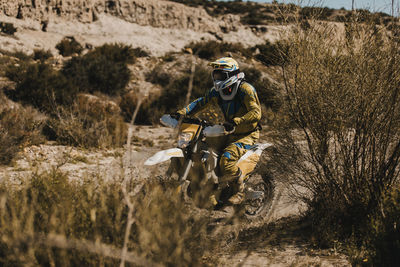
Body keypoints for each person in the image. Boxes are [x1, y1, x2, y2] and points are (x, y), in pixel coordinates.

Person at [174, 57, 262, 205]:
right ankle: (211, 188)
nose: (217, 79)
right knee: (204, 151)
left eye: (221, 76)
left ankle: (240, 191)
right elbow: (201, 102)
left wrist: (237, 121)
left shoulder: (245, 89)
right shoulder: (217, 91)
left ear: (231, 75)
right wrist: (182, 113)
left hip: (247, 134)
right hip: (227, 131)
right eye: (215, 75)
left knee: (226, 159)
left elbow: (256, 112)